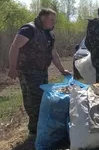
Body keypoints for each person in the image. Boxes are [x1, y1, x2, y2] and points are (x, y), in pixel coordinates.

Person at [8, 8, 71, 136]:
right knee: (33, 100)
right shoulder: (28, 30)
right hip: (28, 71)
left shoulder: (49, 34)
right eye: (51, 19)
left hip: (42, 71)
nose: (54, 22)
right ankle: (34, 131)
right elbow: (15, 46)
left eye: (54, 20)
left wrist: (62, 70)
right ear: (43, 18)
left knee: (43, 99)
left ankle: (40, 128)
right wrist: (13, 67)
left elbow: (53, 53)